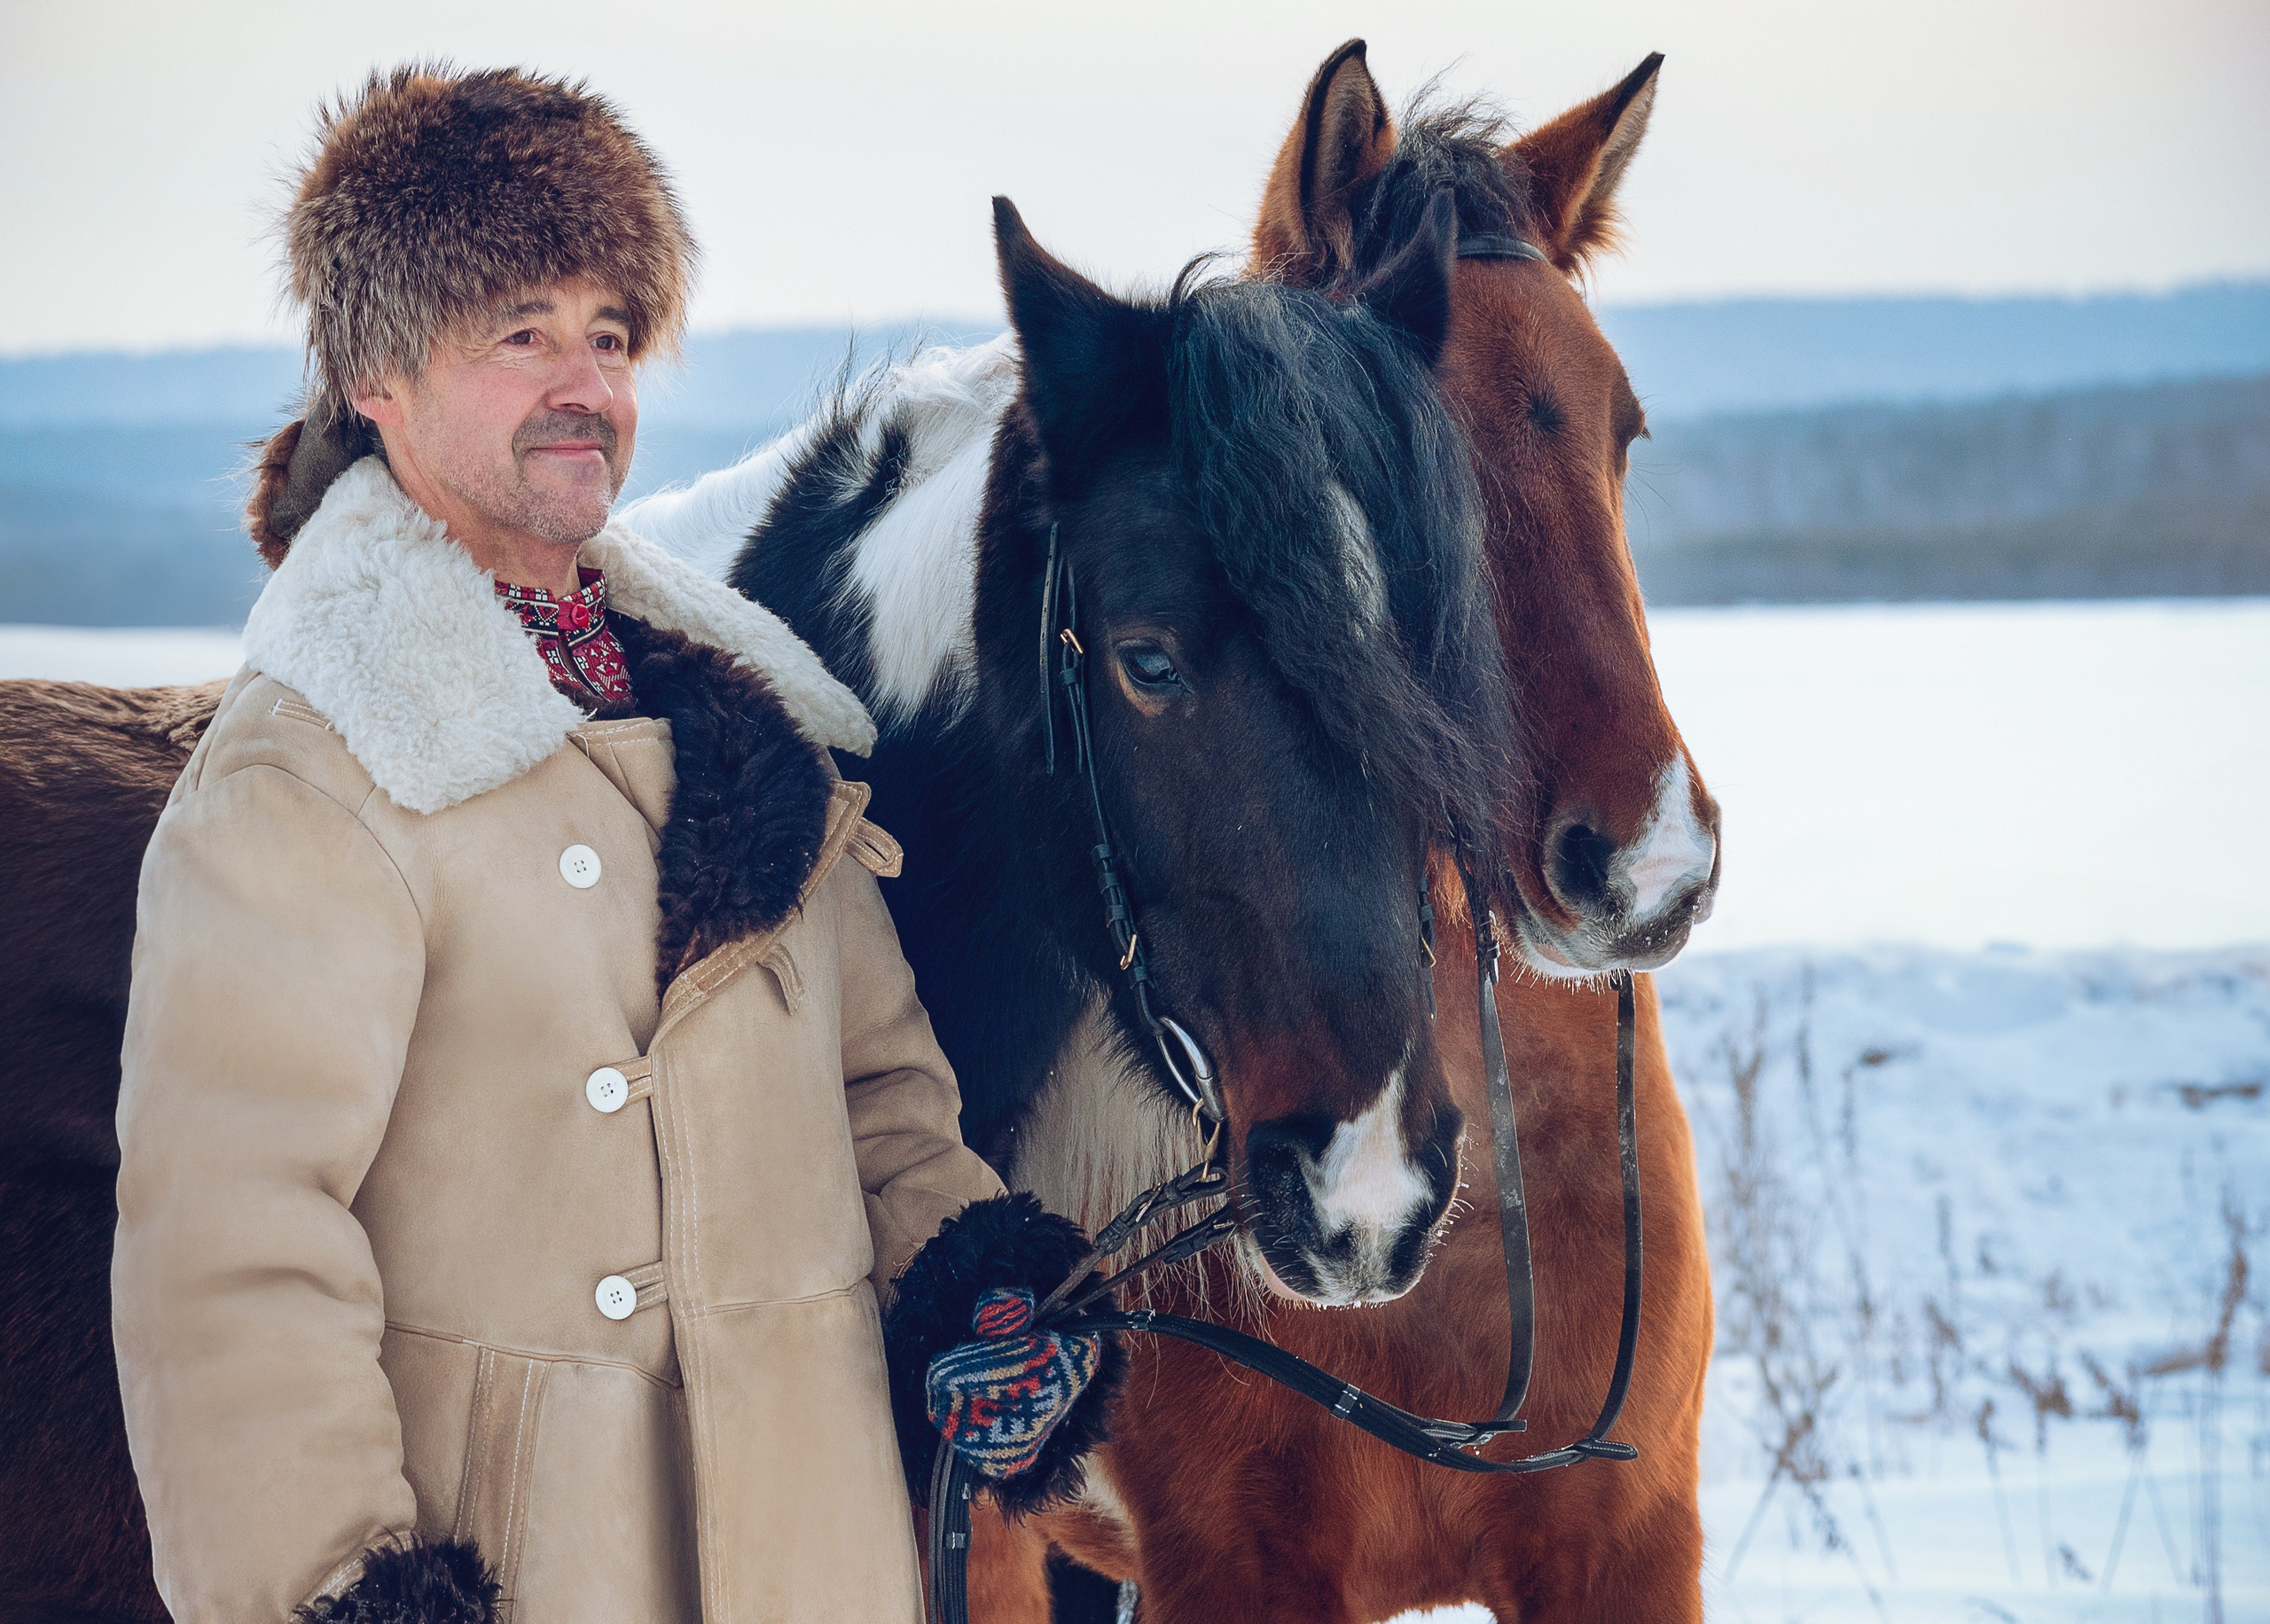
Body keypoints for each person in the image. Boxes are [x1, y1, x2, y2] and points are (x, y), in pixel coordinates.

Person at [112, 65, 1115, 1624]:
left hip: (814, 1565)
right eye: (521, 333)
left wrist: (979, 1292)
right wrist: (337, 1596)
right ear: (377, 374)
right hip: (538, 1574)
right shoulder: (308, 773)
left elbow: (885, 1104)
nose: (583, 382)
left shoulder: (762, 731)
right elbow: (230, 1264)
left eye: (609, 335)